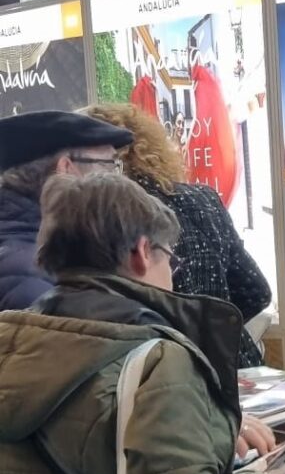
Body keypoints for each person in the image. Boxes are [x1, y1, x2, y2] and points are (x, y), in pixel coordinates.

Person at [0, 173, 285, 474]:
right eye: (168, 257)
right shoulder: (156, 363)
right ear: (139, 251)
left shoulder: (19, 345)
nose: (171, 273)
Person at [80, 103, 273, 368]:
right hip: (236, 369)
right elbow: (257, 291)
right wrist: (215, 327)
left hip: (159, 377)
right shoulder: (204, 199)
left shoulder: (105, 218)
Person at [0, 110, 133, 311]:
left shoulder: (33, 252)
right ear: (66, 169)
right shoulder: (33, 277)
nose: (119, 179)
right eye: (110, 165)